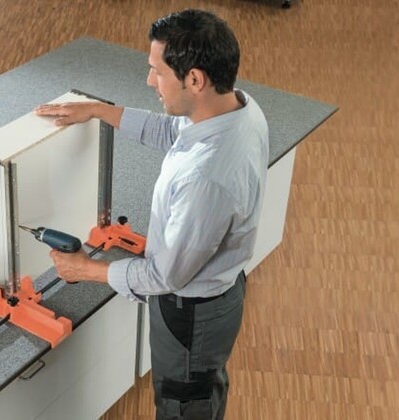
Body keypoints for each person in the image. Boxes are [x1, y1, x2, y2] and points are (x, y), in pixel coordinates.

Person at [35, 9, 268, 420]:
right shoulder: (239, 109)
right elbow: (172, 131)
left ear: (194, 79)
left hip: (190, 315)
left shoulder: (207, 177)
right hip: (219, 295)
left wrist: (84, 269)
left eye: (157, 72)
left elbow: (165, 276)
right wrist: (99, 110)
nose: (149, 81)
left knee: (183, 403)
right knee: (202, 391)